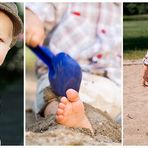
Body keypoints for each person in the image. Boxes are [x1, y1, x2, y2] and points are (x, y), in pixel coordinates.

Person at [26, 3, 122, 132]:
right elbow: (38, 8)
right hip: (58, 77)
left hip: (109, 84)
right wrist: (32, 21)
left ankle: (89, 120)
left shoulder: (119, 9)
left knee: (118, 109)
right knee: (53, 100)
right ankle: (68, 118)